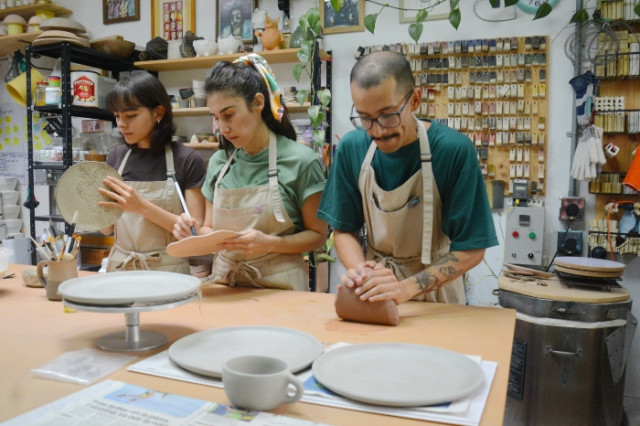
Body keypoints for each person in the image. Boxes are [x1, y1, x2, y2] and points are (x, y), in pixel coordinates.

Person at [317, 50, 498, 305]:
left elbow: (472, 249)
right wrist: (363, 274)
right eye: (365, 118)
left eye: (388, 115)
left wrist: (405, 289)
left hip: (438, 295)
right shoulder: (352, 148)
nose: (378, 131)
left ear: (414, 100)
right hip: (378, 290)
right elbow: (343, 230)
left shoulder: (452, 150)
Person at [173, 54, 327, 291]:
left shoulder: (301, 161)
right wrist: (191, 232)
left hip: (280, 290)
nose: (222, 128)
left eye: (229, 115)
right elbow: (209, 229)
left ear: (257, 102)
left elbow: (318, 235)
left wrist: (270, 243)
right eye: (216, 118)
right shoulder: (219, 163)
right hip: (225, 285)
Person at [99, 71, 207, 274]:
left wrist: (141, 206)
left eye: (130, 115)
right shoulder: (116, 157)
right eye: (117, 116)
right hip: (122, 269)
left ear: (158, 113)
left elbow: (195, 233)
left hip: (167, 270)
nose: (121, 124)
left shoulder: (187, 159)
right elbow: (106, 228)